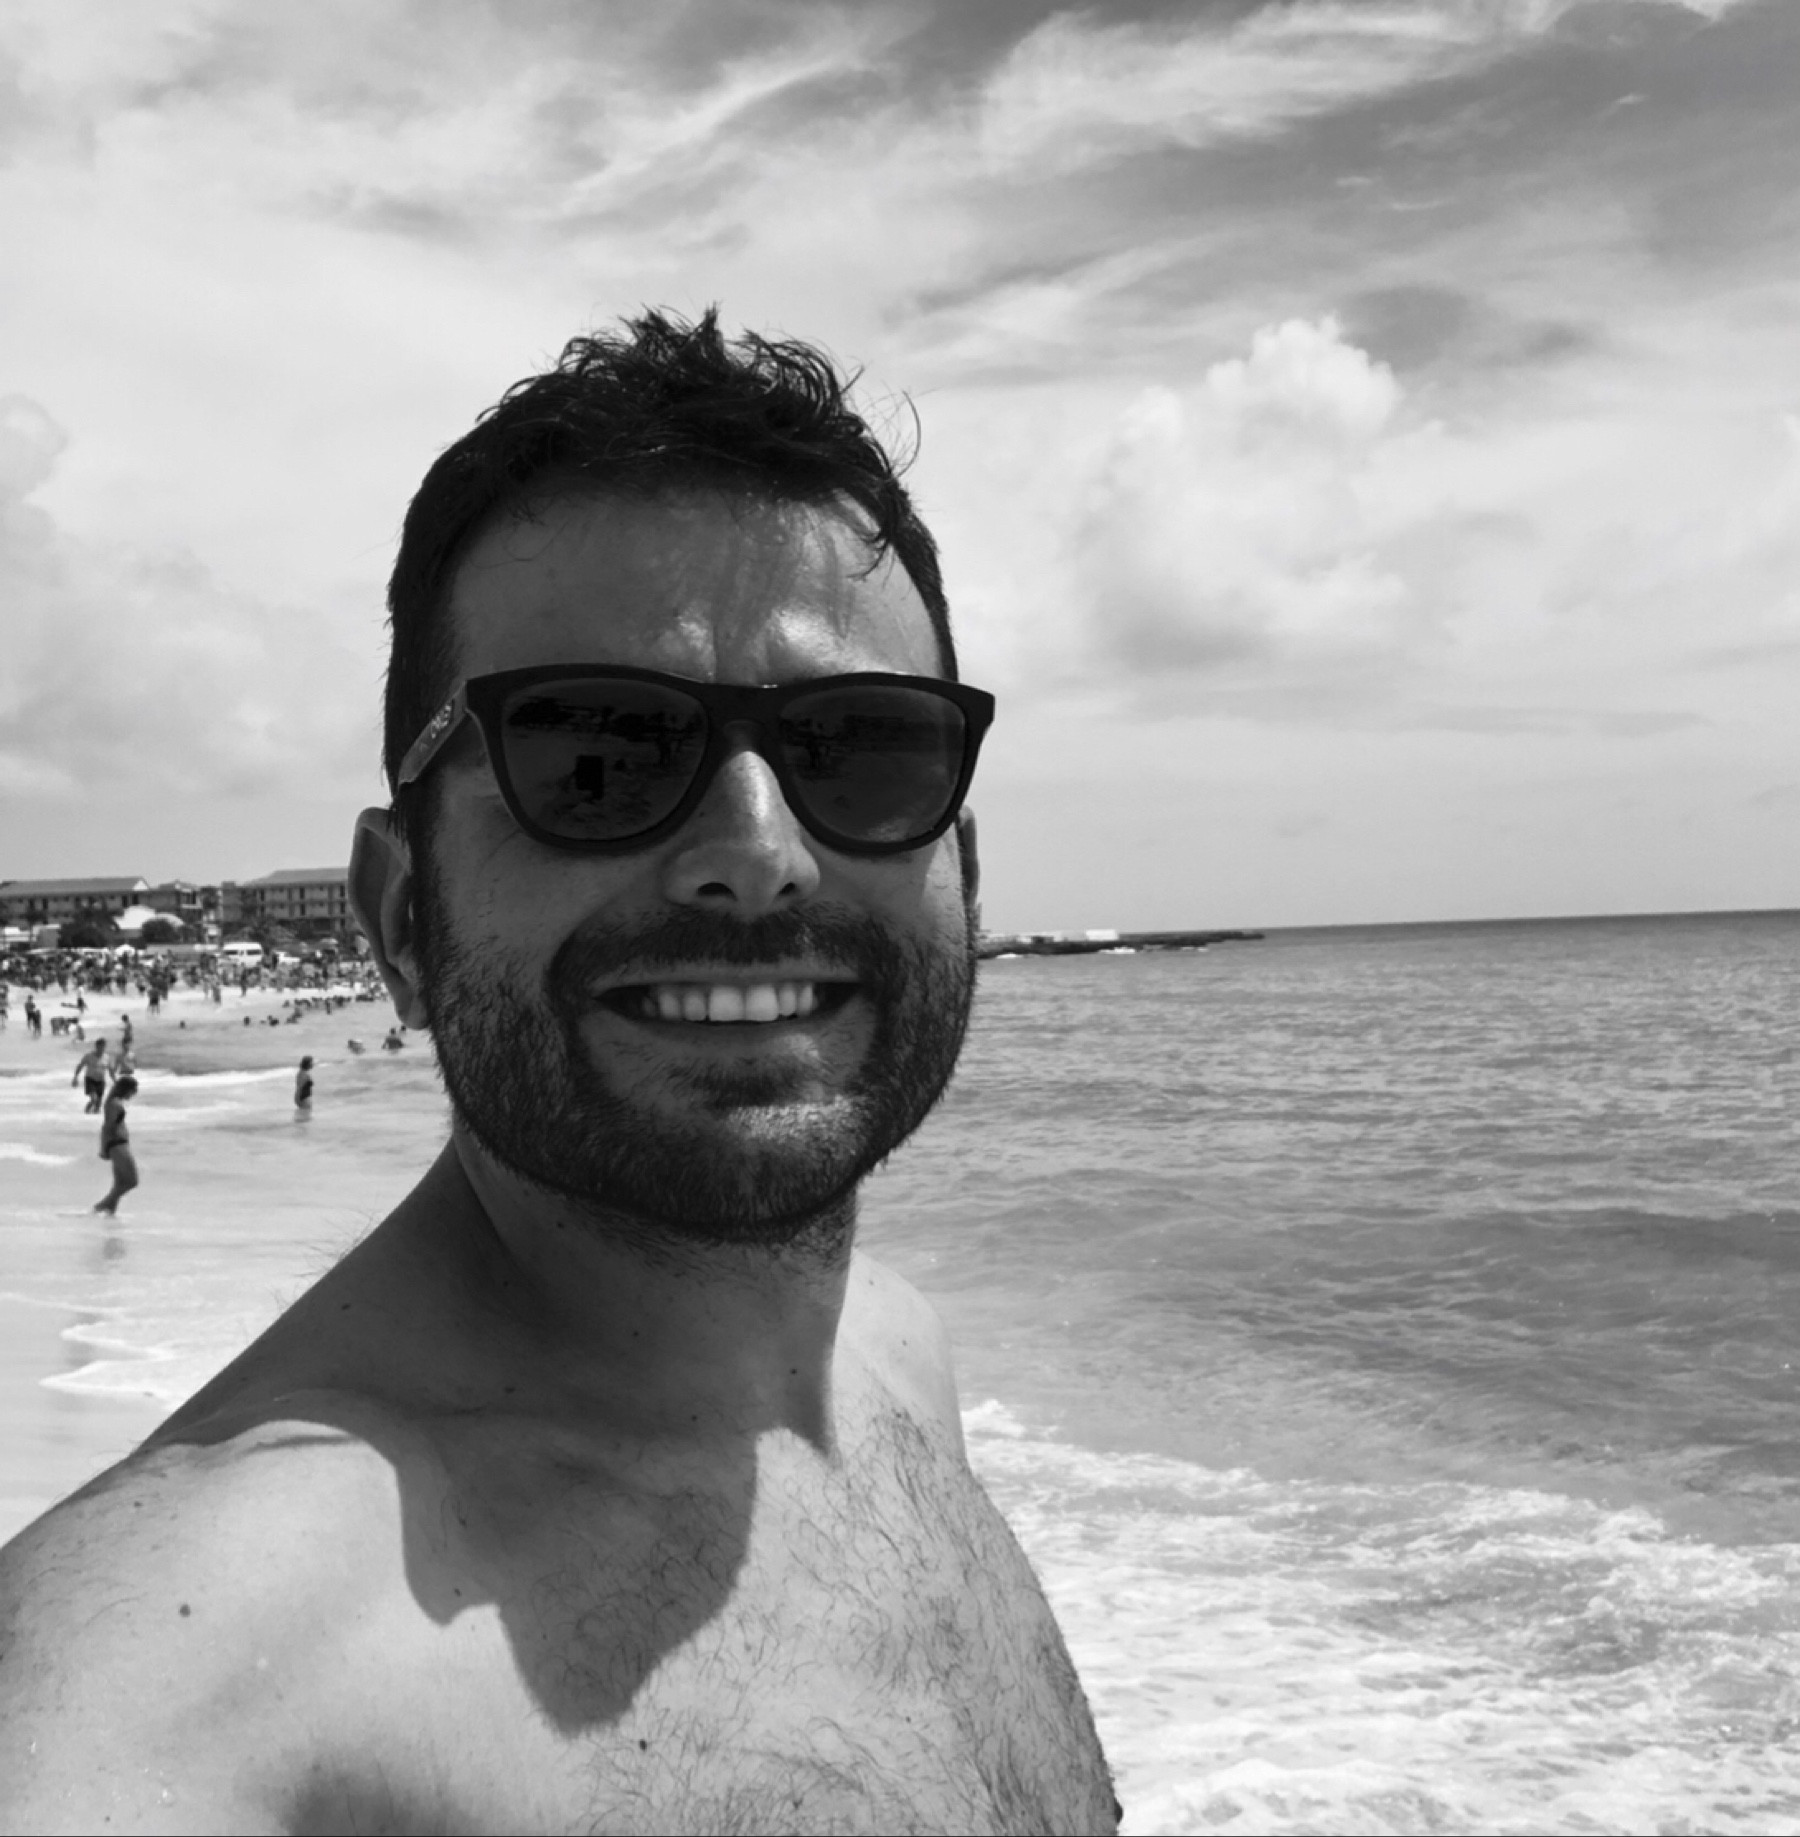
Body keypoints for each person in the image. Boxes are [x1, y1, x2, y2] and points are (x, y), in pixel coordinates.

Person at [0, 310, 1117, 1834]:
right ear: (403, 914)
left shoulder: (897, 1356)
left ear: (961, 869)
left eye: (861, 752)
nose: (759, 856)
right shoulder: (187, 1673)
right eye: (600, 756)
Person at [92, 1074, 139, 1216]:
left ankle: (110, 1216)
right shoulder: (114, 1104)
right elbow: (108, 1127)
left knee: (119, 1184)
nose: (133, 1094)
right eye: (133, 1091)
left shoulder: (113, 1102)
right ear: (126, 1089)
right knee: (132, 1181)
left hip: (118, 1144)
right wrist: (104, 1148)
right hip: (117, 1145)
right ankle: (101, 1205)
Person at [71, 1037, 108, 1113]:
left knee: (98, 1105)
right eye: (100, 1046)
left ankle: (92, 1117)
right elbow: (80, 1066)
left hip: (101, 1081)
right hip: (90, 1080)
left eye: (103, 1047)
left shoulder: (106, 1057)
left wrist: (115, 1080)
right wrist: (75, 1077)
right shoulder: (89, 1056)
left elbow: (111, 1070)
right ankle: (86, 1112)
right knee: (94, 1099)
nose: (102, 1049)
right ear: (96, 1046)